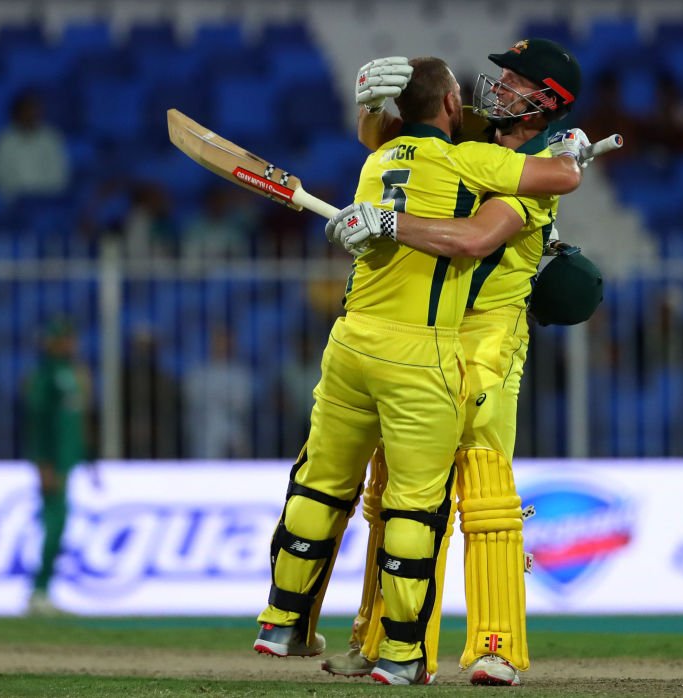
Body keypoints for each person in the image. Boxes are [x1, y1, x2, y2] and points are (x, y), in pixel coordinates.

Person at [252, 56, 585, 686]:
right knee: (393, 496)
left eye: (514, 81)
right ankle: (383, 643)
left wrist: (385, 220)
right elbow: (396, 143)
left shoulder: (537, 166)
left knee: (483, 496)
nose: (498, 87)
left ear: (545, 100)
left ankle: (494, 646)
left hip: (485, 340)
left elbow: (475, 238)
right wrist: (374, 106)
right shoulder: (479, 143)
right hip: (424, 339)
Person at [23, 318, 94, 615]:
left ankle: (43, 591)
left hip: (67, 460)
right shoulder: (44, 376)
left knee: (59, 526)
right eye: (65, 339)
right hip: (53, 463)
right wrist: (43, 463)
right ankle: (39, 591)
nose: (71, 345)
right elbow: (38, 424)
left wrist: (88, 457)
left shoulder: (71, 373)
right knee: (54, 525)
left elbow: (77, 419)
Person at [183, 325, 253, 459]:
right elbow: (193, 401)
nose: (223, 346)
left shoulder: (241, 374)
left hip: (233, 426)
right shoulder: (198, 373)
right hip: (203, 426)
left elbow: (241, 405)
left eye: (227, 343)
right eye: (220, 342)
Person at [0, 90, 70, 201]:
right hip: (13, 204)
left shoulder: (52, 138)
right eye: (27, 111)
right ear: (17, 113)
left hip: (46, 203)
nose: (31, 115)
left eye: (35, 111)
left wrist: (41, 198)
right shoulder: (4, 140)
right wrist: (19, 198)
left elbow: (59, 176)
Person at [122, 329, 183, 458]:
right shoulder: (123, 379)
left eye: (147, 347)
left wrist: (152, 429)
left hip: (157, 441)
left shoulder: (163, 380)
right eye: (140, 347)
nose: (143, 352)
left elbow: (170, 412)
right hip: (127, 439)